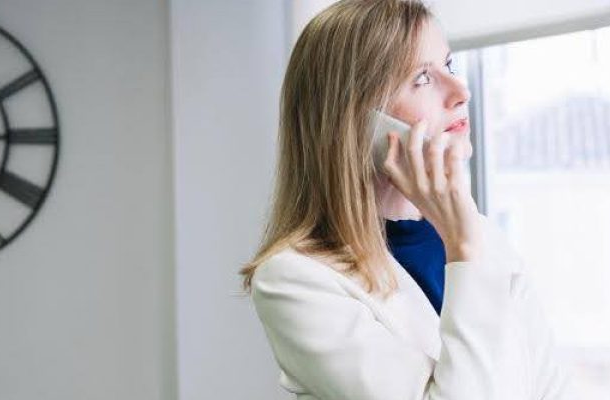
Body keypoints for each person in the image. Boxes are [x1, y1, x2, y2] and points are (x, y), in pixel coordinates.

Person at [238, 0, 569, 398]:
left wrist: (466, 242)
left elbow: (553, 388)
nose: (460, 91)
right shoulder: (294, 280)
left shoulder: (482, 237)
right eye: (423, 79)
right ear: (357, 122)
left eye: (449, 66)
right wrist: (463, 249)